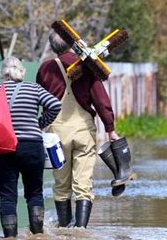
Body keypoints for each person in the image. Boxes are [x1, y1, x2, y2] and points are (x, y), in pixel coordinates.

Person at [36, 32, 134, 229]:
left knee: (61, 186)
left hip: (56, 134)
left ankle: (64, 230)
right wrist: (110, 129)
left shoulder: (46, 68)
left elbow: (37, 98)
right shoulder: (88, 66)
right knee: (83, 185)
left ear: (53, 47)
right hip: (83, 132)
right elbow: (101, 100)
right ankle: (80, 231)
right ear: (73, 43)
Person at [0, 56, 61, 237]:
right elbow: (55, 105)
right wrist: (39, 123)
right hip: (32, 147)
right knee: (35, 193)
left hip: (3, 149)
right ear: (23, 72)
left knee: (7, 196)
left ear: (2, 73)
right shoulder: (33, 88)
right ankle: (37, 237)